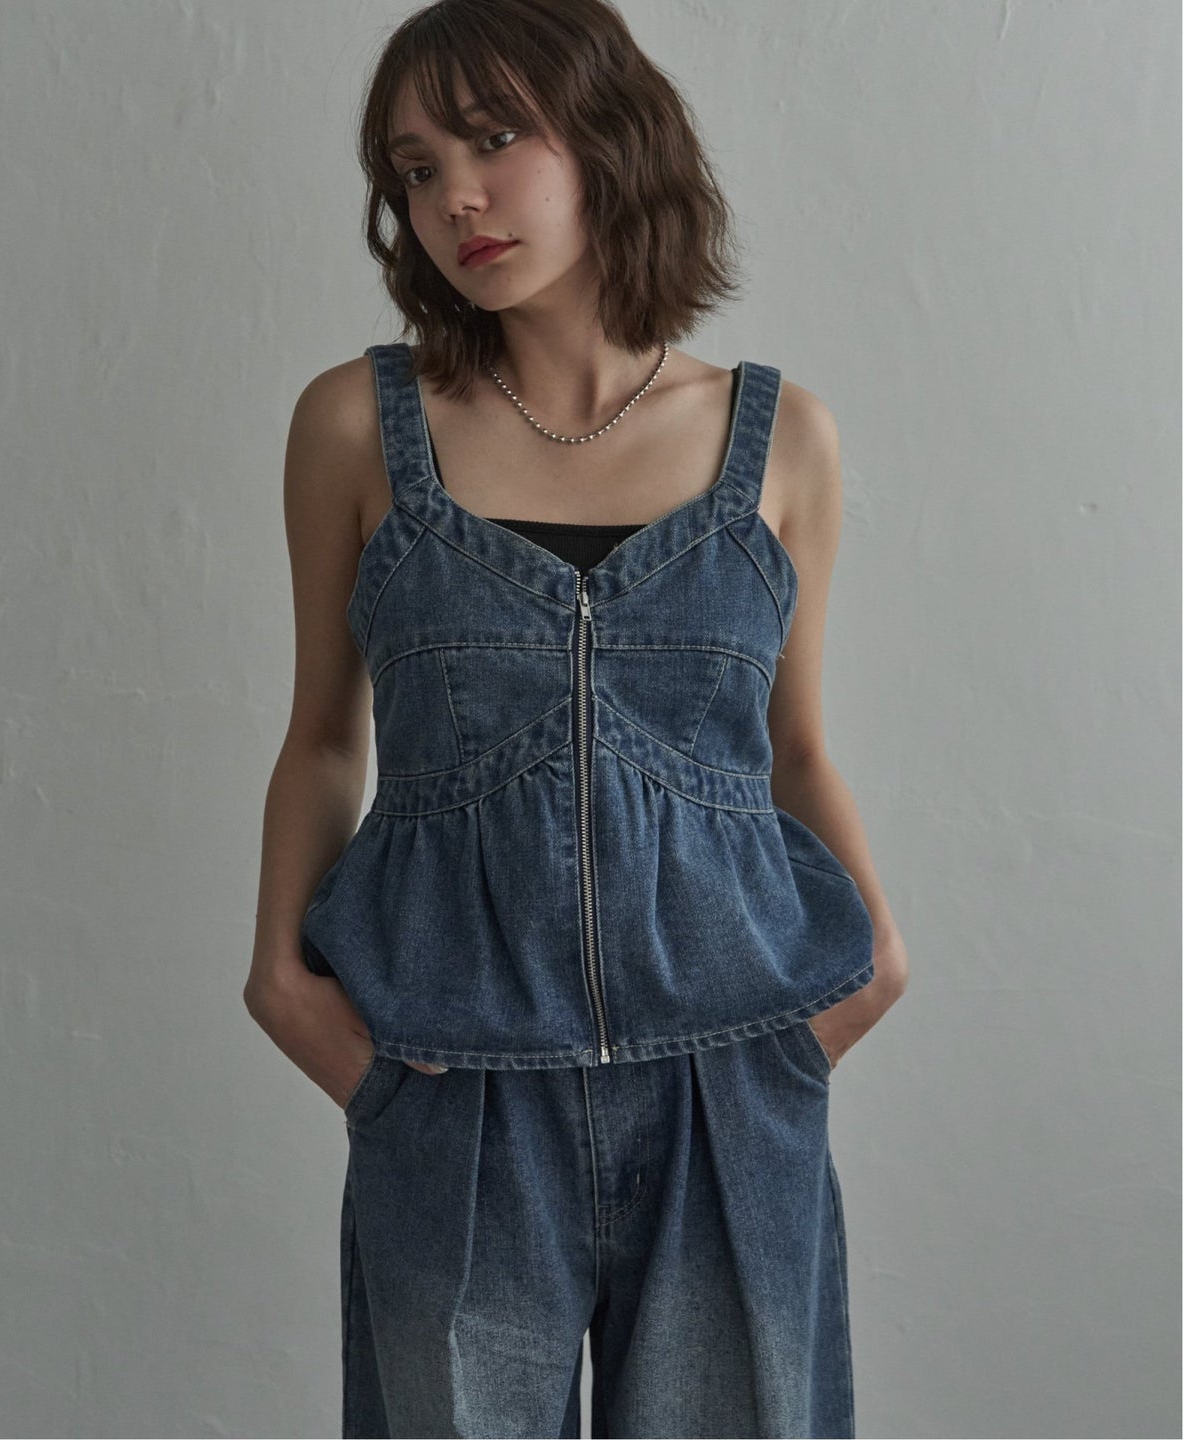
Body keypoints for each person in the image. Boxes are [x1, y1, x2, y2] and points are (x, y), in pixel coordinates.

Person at [244, 1, 909, 1435]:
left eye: (495, 138)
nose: (455, 198)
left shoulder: (781, 438)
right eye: (415, 169)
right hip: (458, 1085)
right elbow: (324, 738)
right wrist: (288, 992)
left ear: (612, 136)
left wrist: (872, 972)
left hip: (729, 1082)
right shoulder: (356, 428)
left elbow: (794, 750)